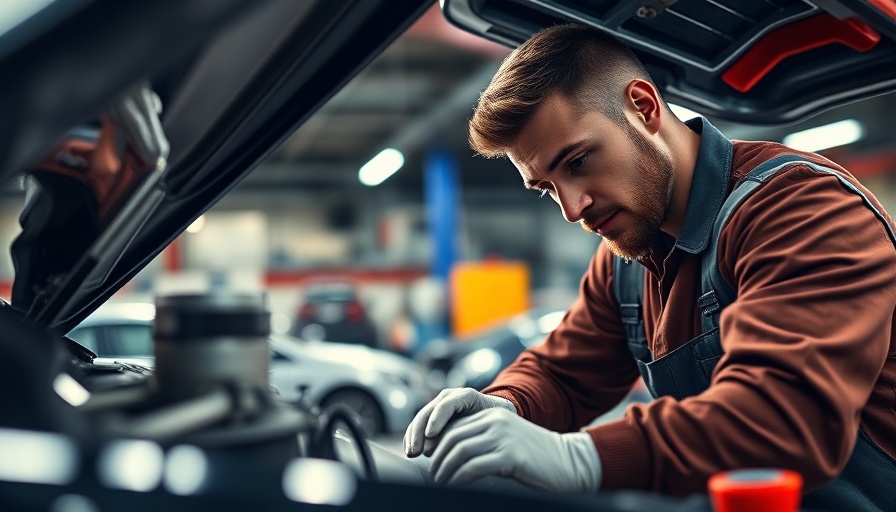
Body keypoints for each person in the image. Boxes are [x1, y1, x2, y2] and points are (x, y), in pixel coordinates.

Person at [403, 23, 896, 509]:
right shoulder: (628, 259)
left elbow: (784, 416)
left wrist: (580, 458)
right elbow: (566, 372)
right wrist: (507, 403)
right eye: (547, 188)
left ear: (643, 107)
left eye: (577, 162)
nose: (572, 208)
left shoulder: (798, 210)